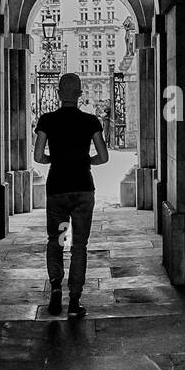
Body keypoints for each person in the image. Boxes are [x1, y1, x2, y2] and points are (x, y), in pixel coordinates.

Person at [33, 73, 109, 317]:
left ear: (58, 93)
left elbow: (37, 156)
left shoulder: (47, 120)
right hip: (83, 188)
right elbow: (103, 156)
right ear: (79, 94)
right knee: (79, 245)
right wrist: (87, 161)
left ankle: (56, 286)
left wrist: (52, 159)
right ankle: (75, 299)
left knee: (56, 240)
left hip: (57, 188)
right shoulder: (90, 121)